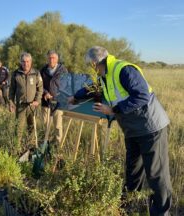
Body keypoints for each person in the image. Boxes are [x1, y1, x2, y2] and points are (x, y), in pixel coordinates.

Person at [69, 46, 172, 216]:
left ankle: (162, 213)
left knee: (156, 174)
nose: (91, 68)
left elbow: (141, 95)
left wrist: (113, 110)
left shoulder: (124, 70)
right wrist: (76, 97)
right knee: (133, 172)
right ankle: (129, 208)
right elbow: (93, 88)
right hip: (132, 130)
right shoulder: (104, 76)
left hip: (150, 127)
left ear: (95, 63)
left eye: (90, 65)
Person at [9, 52, 43, 152]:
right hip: (20, 106)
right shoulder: (16, 74)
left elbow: (40, 88)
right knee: (18, 129)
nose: (26, 64)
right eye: (23, 62)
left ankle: (31, 148)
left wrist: (37, 100)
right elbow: (11, 90)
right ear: (21, 62)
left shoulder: (36, 73)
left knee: (32, 128)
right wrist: (11, 103)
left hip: (33, 106)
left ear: (31, 62)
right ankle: (16, 149)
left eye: (28, 61)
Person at [40, 50, 68, 147]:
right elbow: (39, 84)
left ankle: (58, 146)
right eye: (49, 58)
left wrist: (54, 95)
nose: (51, 60)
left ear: (57, 59)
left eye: (53, 58)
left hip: (58, 102)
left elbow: (65, 86)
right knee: (45, 124)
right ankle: (46, 144)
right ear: (47, 59)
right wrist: (46, 92)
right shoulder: (43, 70)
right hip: (45, 101)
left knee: (57, 126)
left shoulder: (63, 70)